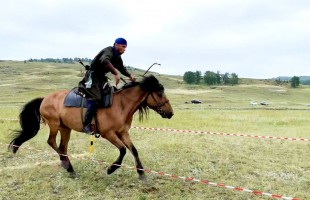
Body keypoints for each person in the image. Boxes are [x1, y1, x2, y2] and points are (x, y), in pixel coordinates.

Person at [79, 38, 136, 134]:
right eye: (123, 47)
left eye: (125, 47)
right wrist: (115, 73)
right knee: (96, 98)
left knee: (111, 93)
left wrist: (130, 75)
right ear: (116, 45)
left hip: (101, 78)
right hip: (92, 77)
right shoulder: (108, 51)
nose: (124, 49)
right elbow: (104, 60)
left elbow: (121, 68)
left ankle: (104, 120)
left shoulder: (117, 57)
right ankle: (86, 124)